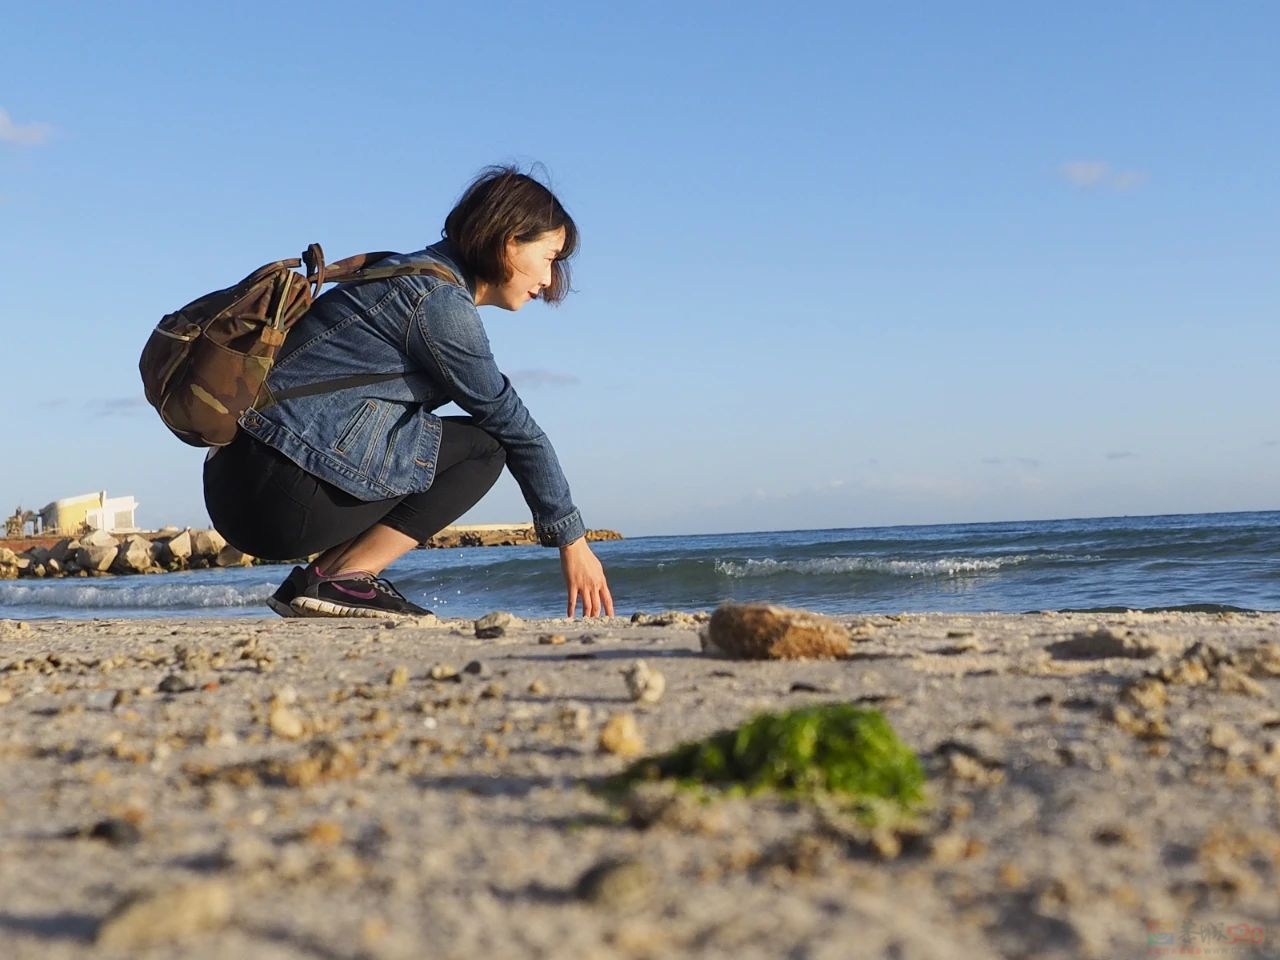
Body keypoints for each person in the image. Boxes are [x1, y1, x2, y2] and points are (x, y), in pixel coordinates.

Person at [203, 165, 614, 621]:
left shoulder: (400, 271)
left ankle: (320, 583)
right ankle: (346, 577)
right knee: (488, 446)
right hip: (277, 493)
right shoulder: (437, 304)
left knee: (468, 438)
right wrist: (573, 542)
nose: (551, 278)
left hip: (242, 481)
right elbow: (516, 428)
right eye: (551, 256)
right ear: (510, 240)